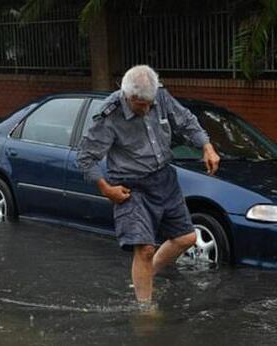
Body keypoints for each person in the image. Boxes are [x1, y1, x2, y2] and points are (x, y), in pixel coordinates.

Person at [77, 65, 220, 306]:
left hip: (164, 178)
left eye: (150, 104)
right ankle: (145, 310)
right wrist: (106, 188)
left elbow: (185, 121)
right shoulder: (110, 115)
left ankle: (143, 275)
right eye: (140, 105)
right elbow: (85, 157)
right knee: (144, 249)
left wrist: (206, 146)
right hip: (131, 187)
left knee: (187, 237)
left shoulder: (159, 96)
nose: (146, 109)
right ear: (128, 96)